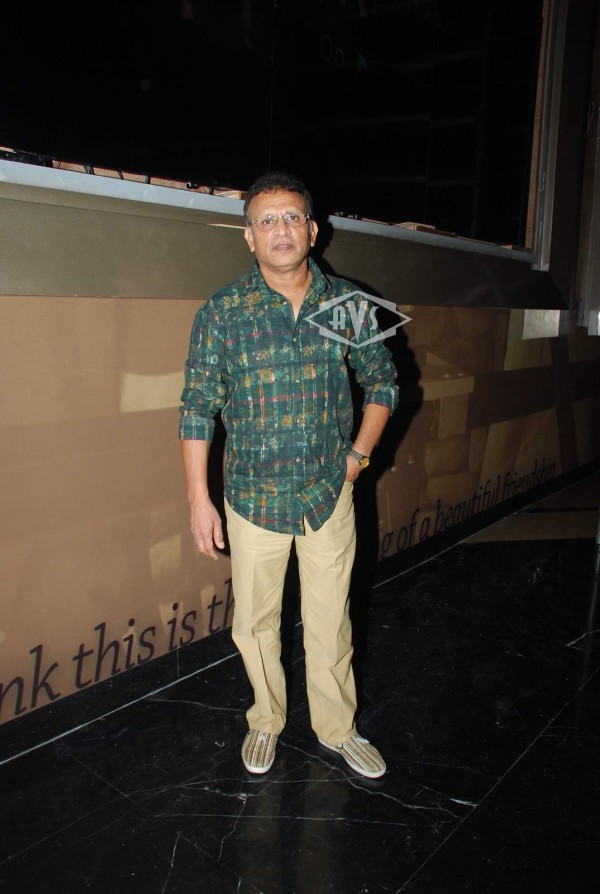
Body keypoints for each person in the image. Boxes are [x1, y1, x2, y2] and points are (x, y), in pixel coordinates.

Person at [179, 171, 398, 779]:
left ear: (313, 230)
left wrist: (357, 457)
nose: (281, 229)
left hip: (329, 494)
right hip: (253, 499)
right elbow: (196, 407)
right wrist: (199, 499)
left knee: (332, 622)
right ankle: (266, 720)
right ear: (249, 236)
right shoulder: (222, 312)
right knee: (254, 625)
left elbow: (384, 383)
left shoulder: (347, 304)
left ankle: (338, 729)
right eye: (267, 220)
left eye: (291, 217)